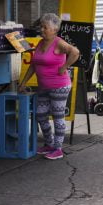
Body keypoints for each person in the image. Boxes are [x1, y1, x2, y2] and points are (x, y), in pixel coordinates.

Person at [18, 13, 80, 160]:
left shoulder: (59, 43)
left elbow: (75, 52)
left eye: (45, 27)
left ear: (54, 29)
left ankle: (58, 149)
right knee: (40, 114)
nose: (42, 29)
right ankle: (49, 143)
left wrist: (65, 66)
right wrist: (23, 82)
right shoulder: (40, 43)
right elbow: (33, 65)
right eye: (41, 26)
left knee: (58, 117)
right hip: (44, 87)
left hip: (59, 86)